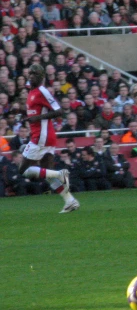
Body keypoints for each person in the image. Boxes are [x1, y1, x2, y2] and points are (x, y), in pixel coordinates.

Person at [19, 64, 79, 213]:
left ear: (41, 77)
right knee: (47, 172)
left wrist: (38, 117)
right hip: (44, 135)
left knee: (24, 170)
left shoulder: (42, 91)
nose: (31, 76)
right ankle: (70, 201)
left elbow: (58, 111)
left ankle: (61, 174)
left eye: (34, 74)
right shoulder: (32, 91)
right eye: (30, 73)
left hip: (41, 136)